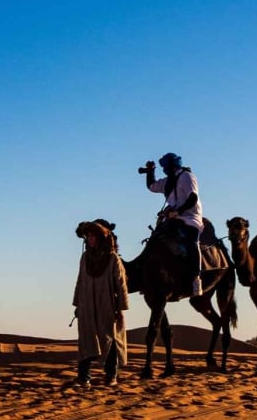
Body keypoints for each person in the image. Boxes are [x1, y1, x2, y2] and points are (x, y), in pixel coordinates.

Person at [72, 219, 129, 387]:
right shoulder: (85, 258)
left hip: (107, 305)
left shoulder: (112, 259)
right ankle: (84, 378)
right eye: (88, 236)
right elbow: (80, 281)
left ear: (101, 238)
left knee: (109, 339)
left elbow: (121, 284)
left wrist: (121, 308)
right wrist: (77, 305)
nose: (90, 239)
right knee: (86, 340)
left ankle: (111, 376)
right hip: (87, 304)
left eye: (93, 236)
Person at [143, 152, 203, 296]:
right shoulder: (167, 181)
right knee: (156, 238)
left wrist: (178, 211)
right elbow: (151, 186)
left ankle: (196, 278)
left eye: (165, 166)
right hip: (172, 219)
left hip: (189, 217)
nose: (164, 169)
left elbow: (192, 198)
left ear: (172, 166)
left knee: (191, 242)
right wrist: (150, 172)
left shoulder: (187, 177)